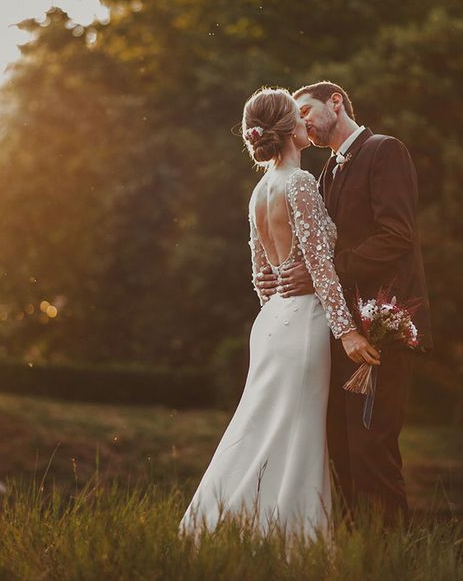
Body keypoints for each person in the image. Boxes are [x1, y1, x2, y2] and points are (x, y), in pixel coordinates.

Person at [179, 87, 379, 539]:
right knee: (298, 434)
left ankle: (230, 527)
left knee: (260, 426)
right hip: (305, 323)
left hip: (271, 323)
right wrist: (347, 331)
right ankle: (293, 539)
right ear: (289, 128)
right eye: (300, 115)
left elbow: (261, 277)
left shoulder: (259, 190)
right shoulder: (300, 182)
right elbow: (321, 266)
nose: (308, 123)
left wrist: (280, 299)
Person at [255, 81, 435, 527]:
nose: (303, 121)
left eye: (307, 109)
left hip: (382, 327)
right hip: (333, 330)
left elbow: (398, 236)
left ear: (336, 101)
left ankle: (389, 555)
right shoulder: (323, 174)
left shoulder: (384, 151)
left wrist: (327, 270)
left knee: (373, 451)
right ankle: (357, 553)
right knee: (340, 451)